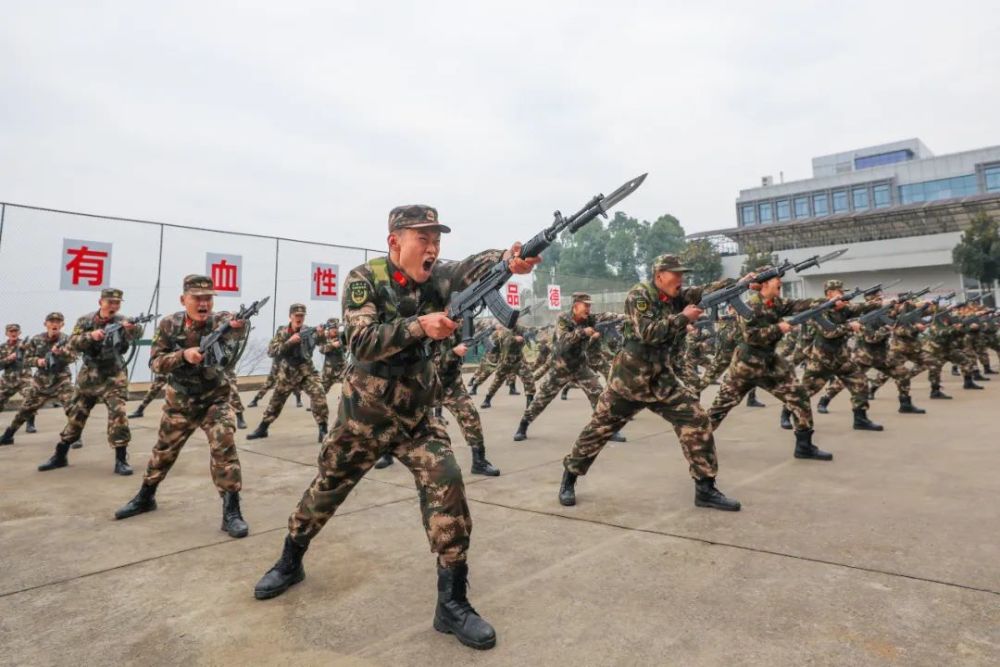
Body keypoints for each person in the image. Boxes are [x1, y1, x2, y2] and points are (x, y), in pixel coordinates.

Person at [253, 204, 539, 651]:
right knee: (327, 487)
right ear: (394, 242)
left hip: (417, 417)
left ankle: (453, 603)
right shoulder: (365, 280)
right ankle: (291, 559)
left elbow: (470, 268)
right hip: (364, 416)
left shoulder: (441, 276)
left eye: (436, 239)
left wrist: (508, 259)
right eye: (422, 238)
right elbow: (361, 339)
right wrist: (420, 325)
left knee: (447, 483)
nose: (432, 247)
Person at [558, 255, 740, 510]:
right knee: (598, 430)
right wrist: (683, 318)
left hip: (661, 379)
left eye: (682, 274)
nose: (680, 279)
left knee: (696, 418)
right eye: (675, 274)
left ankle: (705, 488)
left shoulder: (677, 295)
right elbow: (648, 332)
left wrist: (743, 281)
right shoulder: (639, 296)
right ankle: (569, 477)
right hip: (629, 379)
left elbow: (705, 290)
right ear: (659, 276)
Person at [114, 275, 249, 538]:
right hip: (181, 402)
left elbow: (234, 327)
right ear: (183, 299)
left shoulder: (220, 320)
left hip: (215, 399)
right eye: (197, 298)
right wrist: (183, 355)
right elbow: (154, 363)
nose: (203, 303)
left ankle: (231, 510)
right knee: (163, 452)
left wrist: (238, 326)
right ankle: (145, 496)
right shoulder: (169, 324)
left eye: (208, 298)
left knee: (225, 446)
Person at [707, 267, 832, 461]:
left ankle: (804, 446)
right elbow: (752, 336)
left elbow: (801, 304)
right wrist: (778, 328)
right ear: (765, 283)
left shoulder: (777, 303)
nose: (780, 282)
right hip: (745, 367)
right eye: (776, 279)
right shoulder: (749, 306)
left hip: (770, 364)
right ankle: (698, 441)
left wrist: (830, 302)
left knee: (799, 396)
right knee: (720, 408)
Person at [36, 288, 142, 475]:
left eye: (117, 303)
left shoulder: (122, 320)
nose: (114, 306)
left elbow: (137, 334)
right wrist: (90, 336)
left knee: (118, 414)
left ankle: (121, 459)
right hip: (89, 377)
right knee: (77, 415)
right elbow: (73, 342)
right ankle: (60, 454)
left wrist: (132, 328)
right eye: (110, 302)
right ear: (100, 302)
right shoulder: (86, 321)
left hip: (113, 376)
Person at [512, 293, 624, 443]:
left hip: (580, 366)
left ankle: (608, 429)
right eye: (586, 305)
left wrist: (625, 316)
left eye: (590, 305)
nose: (588, 309)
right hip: (560, 367)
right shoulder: (563, 318)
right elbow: (563, 340)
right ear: (575, 306)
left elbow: (606, 316)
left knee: (597, 393)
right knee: (542, 398)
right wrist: (582, 332)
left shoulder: (590, 318)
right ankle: (523, 426)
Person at [798, 280, 884, 432]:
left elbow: (862, 307)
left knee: (860, 382)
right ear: (830, 294)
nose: (843, 295)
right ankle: (786, 413)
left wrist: (883, 303)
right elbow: (829, 332)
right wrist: (850, 326)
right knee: (804, 392)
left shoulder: (844, 309)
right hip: (822, 360)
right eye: (840, 292)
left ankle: (860, 419)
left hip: (841, 358)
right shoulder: (818, 311)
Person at [246, 304, 329, 443]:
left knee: (319, 394)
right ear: (290, 316)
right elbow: (272, 352)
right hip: (287, 372)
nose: (299, 318)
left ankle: (323, 429)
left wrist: (321, 335)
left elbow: (321, 344)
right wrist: (289, 342)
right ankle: (263, 428)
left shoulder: (309, 331)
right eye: (296, 315)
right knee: (276, 402)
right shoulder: (282, 332)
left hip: (306, 371)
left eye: (302, 316)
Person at [0, 313, 76, 446]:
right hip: (41, 381)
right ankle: (8, 435)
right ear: (45, 324)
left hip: (61, 379)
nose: (54, 324)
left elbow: (74, 357)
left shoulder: (67, 340)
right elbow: (25, 360)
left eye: (58, 322)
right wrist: (38, 361)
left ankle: (74, 436)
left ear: (62, 324)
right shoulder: (36, 339)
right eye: (51, 321)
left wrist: (62, 354)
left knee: (72, 407)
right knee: (26, 409)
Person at [0, 324, 33, 429]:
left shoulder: (26, 345)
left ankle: (30, 423)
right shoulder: (2, 348)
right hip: (8, 379)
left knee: (30, 397)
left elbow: (34, 358)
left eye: (15, 331)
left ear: (19, 333)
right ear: (6, 333)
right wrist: (9, 358)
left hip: (24, 377)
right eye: (11, 331)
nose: (13, 333)